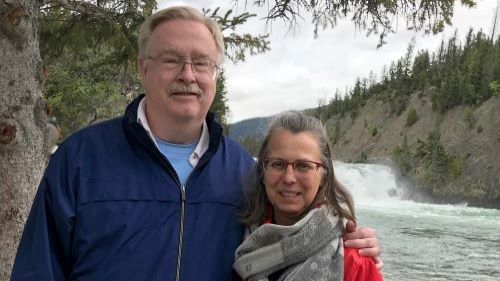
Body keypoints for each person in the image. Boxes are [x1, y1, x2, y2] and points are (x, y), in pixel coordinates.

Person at [10, 6, 381, 281]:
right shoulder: (80, 160)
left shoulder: (244, 171)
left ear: (215, 75)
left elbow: (292, 236)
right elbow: (37, 269)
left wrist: (352, 243)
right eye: (172, 60)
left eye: (202, 63)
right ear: (143, 68)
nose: (188, 75)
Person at [233, 111, 384, 281]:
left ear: (323, 177)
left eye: (303, 166)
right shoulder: (236, 237)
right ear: (263, 171)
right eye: (278, 164)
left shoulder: (353, 260)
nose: (289, 178)